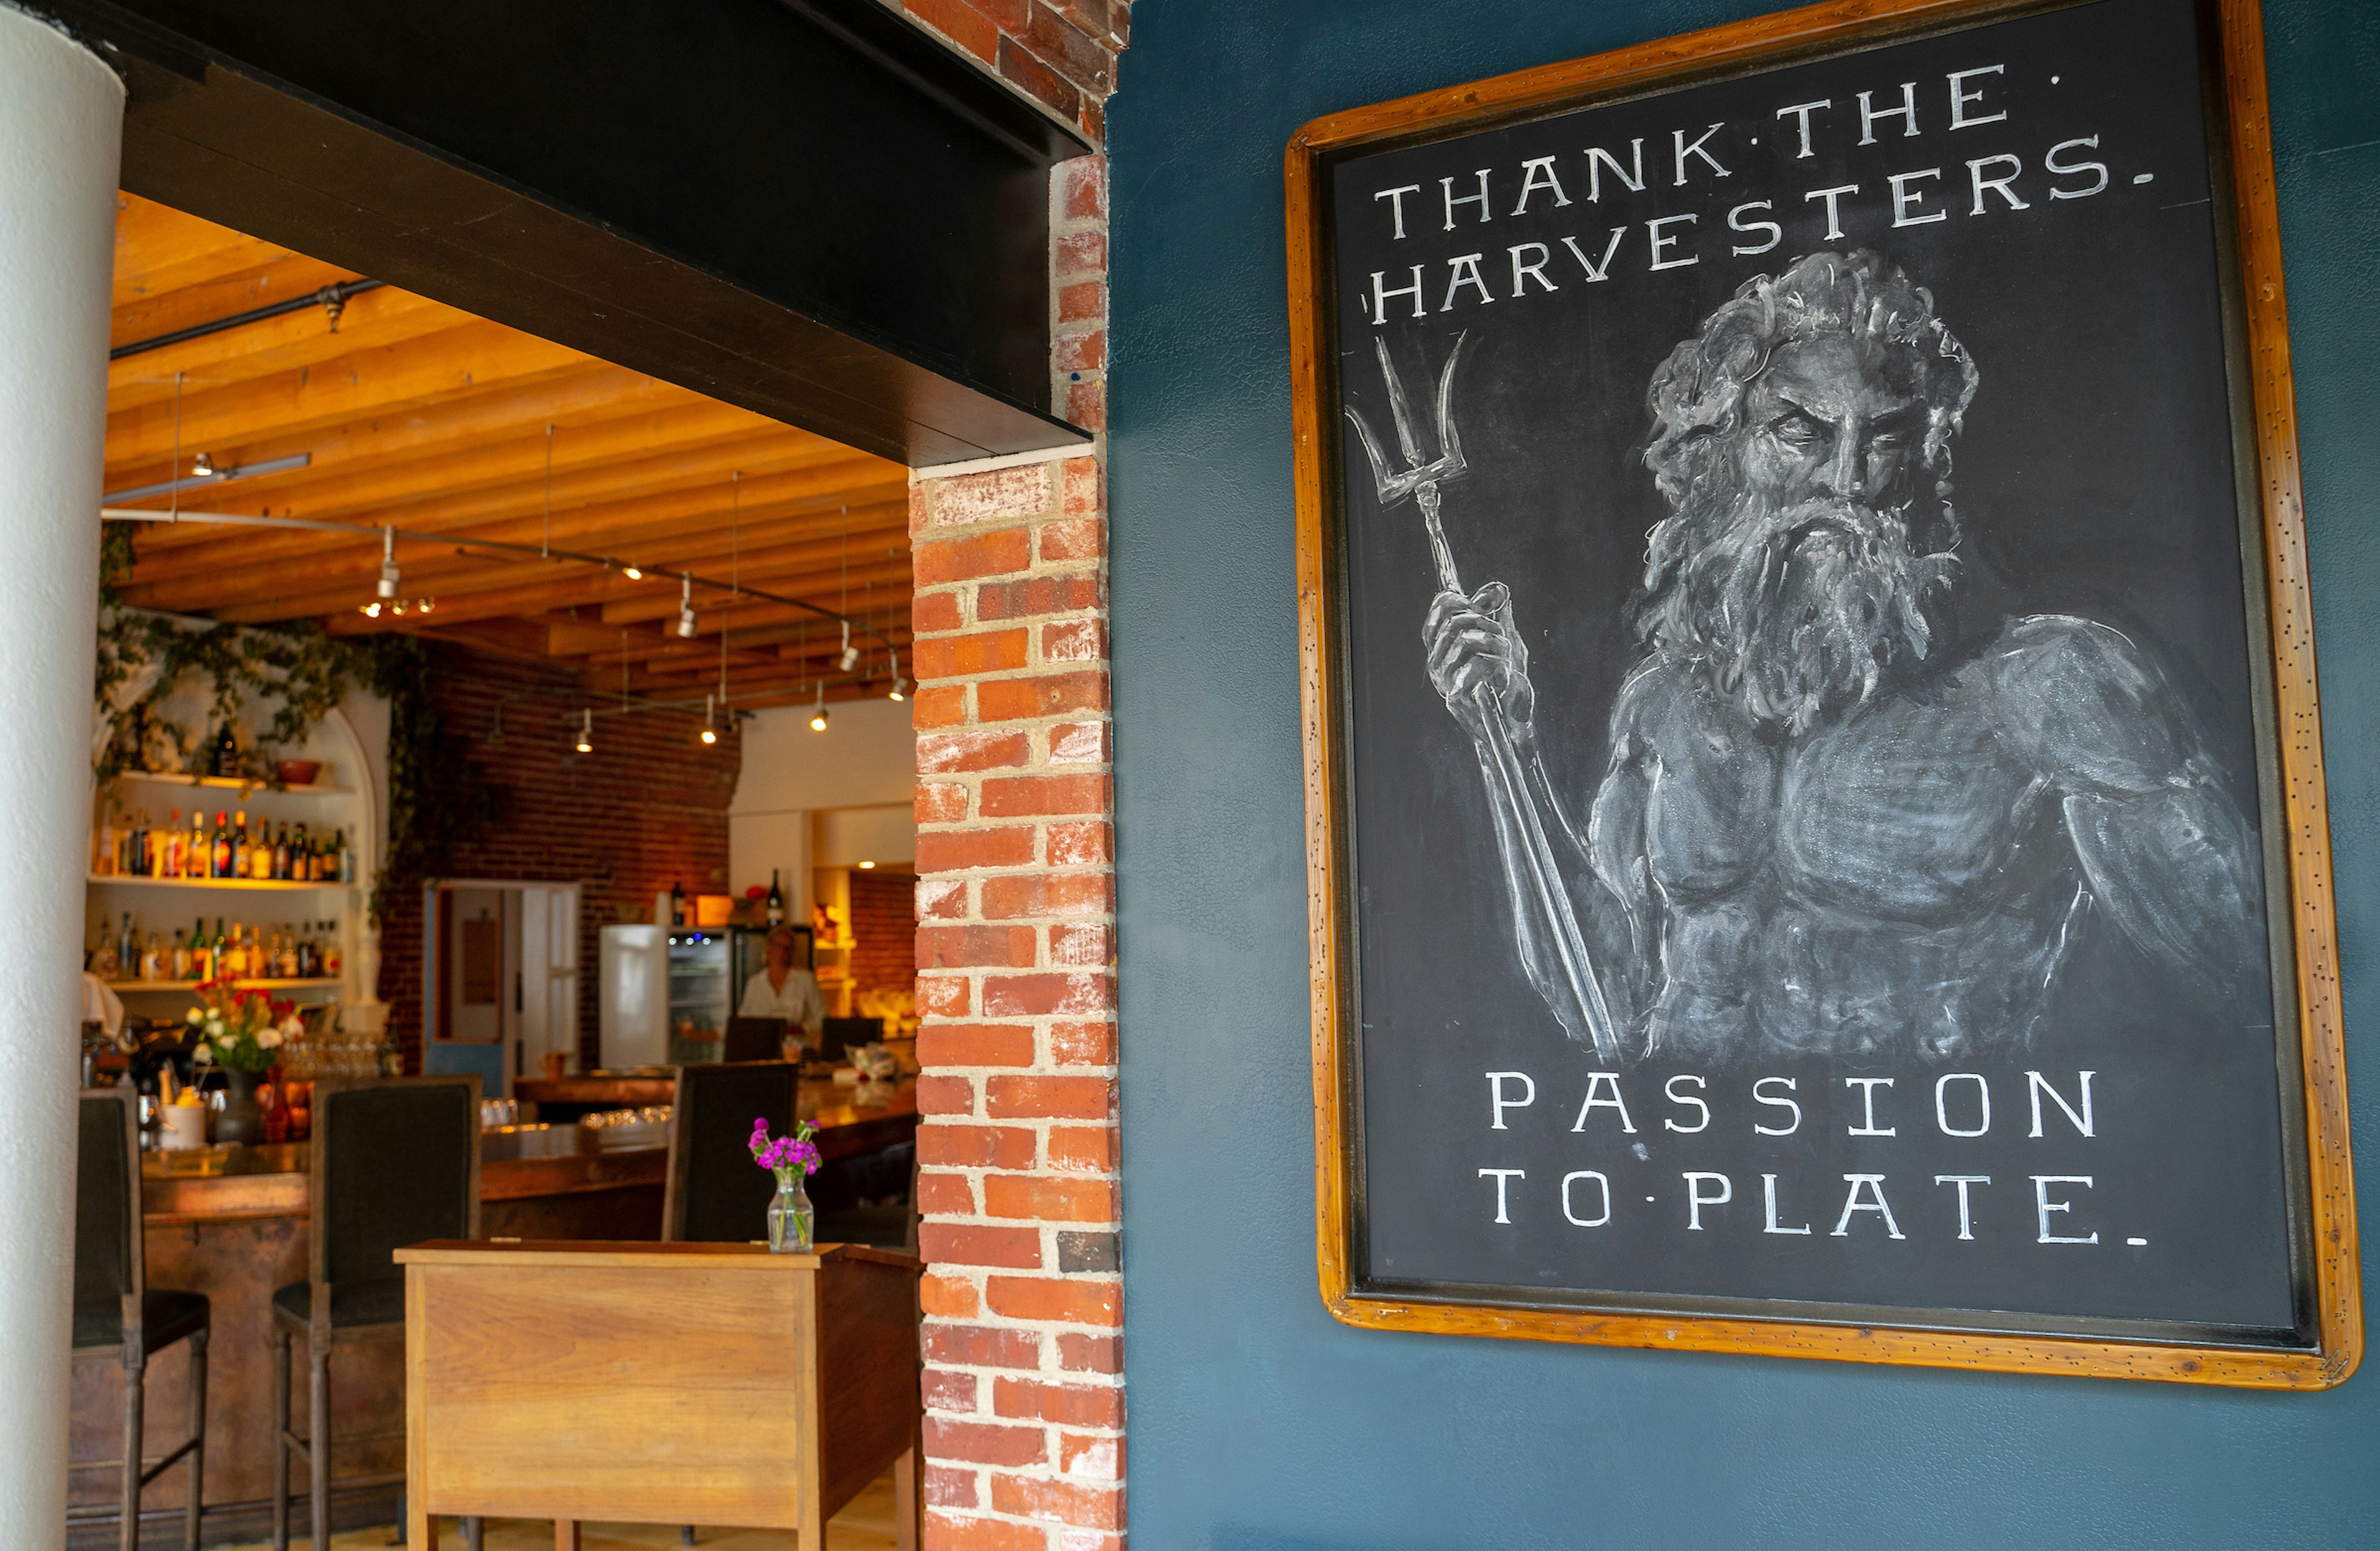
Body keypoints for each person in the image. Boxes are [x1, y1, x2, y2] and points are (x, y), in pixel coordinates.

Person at [1423, 249, 2262, 1063]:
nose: (1851, 477)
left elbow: (2259, 987)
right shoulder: (1665, 705)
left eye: (1887, 433)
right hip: (1695, 1173)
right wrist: (1510, 752)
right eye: (1801, 430)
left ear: (1927, 450)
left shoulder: (2054, 686)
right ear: (1724, 449)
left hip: (1925, 1180)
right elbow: (1601, 998)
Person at [739, 926, 825, 1056]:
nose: (783, 952)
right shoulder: (755, 984)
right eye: (779, 946)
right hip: (763, 1052)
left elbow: (823, 1018)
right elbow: (743, 1023)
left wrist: (801, 1029)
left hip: (799, 1052)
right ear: (768, 948)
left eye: (788, 948)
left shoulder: (806, 980)